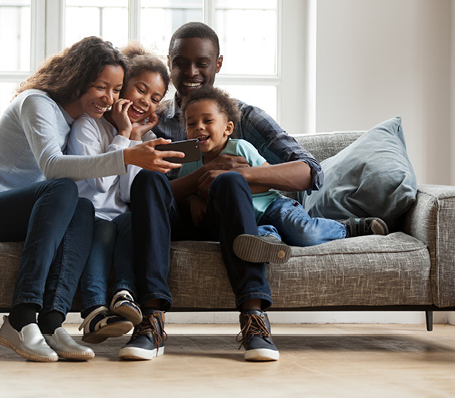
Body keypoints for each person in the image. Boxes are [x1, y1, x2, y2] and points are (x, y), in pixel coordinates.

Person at [0, 37, 183, 363]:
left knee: (83, 207)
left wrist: (130, 141)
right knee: (63, 188)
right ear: (77, 78)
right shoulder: (36, 103)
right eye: (100, 87)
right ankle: (21, 319)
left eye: (116, 89)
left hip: (18, 208)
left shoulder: (79, 123)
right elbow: (51, 167)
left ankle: (51, 322)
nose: (108, 98)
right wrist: (128, 155)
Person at [119, 21, 325, 362]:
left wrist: (239, 173)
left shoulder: (242, 116)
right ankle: (151, 320)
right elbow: (135, 194)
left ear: (218, 64)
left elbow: (309, 171)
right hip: (176, 219)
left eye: (202, 62)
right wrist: (202, 175)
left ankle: (254, 317)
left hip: (231, 215)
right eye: (181, 63)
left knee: (230, 181)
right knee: (149, 180)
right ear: (169, 64)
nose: (191, 71)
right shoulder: (152, 118)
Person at [177, 86, 388, 267]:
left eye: (207, 120)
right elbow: (187, 190)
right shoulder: (190, 160)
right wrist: (194, 200)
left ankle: (349, 227)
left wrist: (240, 184)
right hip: (246, 220)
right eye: (192, 124)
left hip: (273, 207)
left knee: (305, 233)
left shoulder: (240, 148)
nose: (199, 127)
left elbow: (267, 179)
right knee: (252, 238)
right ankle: (271, 238)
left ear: (227, 128)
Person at [66, 43, 171, 344]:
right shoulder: (88, 126)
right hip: (90, 214)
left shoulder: (144, 137)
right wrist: (124, 135)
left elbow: (128, 193)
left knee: (129, 223)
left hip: (118, 215)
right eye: (140, 90)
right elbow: (99, 183)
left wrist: (136, 137)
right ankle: (94, 309)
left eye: (155, 99)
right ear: (121, 86)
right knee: (103, 230)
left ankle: (124, 295)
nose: (146, 103)